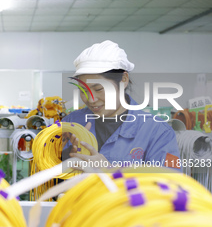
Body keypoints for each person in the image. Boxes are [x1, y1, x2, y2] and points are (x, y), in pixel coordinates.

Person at [62, 40, 181, 170]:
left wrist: (110, 171)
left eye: (98, 89)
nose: (91, 99)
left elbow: (170, 185)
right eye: (83, 91)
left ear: (123, 80)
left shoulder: (158, 131)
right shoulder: (71, 122)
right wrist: (67, 155)